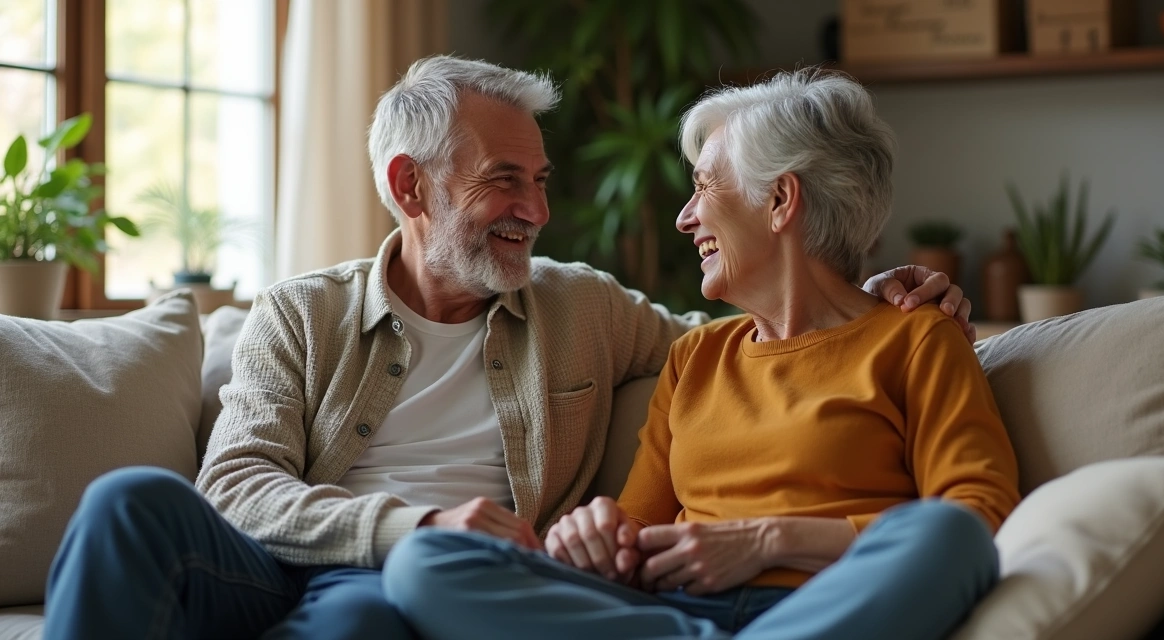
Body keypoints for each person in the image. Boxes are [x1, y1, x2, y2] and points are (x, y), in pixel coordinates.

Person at [43, 57, 977, 639]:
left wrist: (882, 287)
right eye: (503, 181)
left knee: (379, 608)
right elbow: (237, 489)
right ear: (411, 187)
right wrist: (424, 526)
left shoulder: (587, 307)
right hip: (307, 559)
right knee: (131, 503)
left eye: (539, 179)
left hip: (401, 594)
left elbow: (783, 336)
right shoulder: (300, 313)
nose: (536, 209)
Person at [382, 69, 1020, 640]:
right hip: (675, 616)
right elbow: (633, 533)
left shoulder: (917, 339)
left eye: (705, 187)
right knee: (426, 562)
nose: (686, 218)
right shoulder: (697, 356)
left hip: (827, 605)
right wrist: (594, 537)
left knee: (949, 537)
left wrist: (766, 542)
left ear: (780, 201)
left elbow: (980, 516)